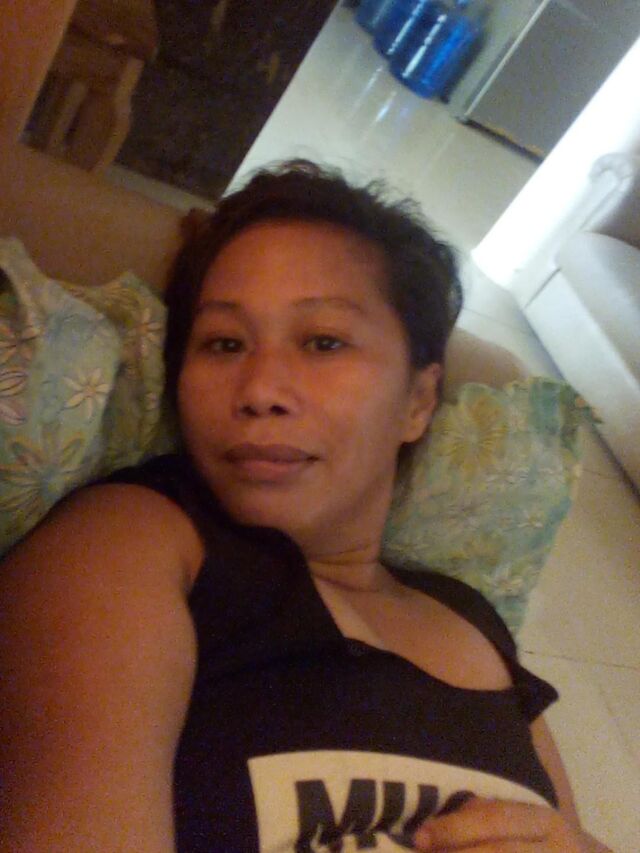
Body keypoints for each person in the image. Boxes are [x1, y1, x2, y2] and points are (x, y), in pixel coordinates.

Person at [0, 161, 610, 852]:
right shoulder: (136, 542)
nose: (260, 389)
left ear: (418, 400)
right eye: (224, 343)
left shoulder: (474, 622)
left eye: (323, 342)